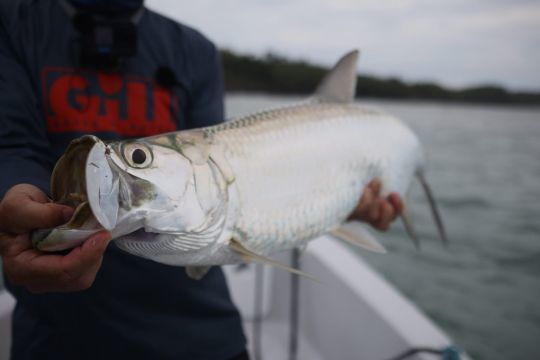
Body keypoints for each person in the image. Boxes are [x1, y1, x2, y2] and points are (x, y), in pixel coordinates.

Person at [0, 0, 403, 359]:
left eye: (138, 158)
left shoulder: (193, 49)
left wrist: (342, 205)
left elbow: (225, 173)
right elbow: (10, 143)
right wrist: (14, 193)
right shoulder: (13, 21)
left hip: (198, 328)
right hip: (58, 332)